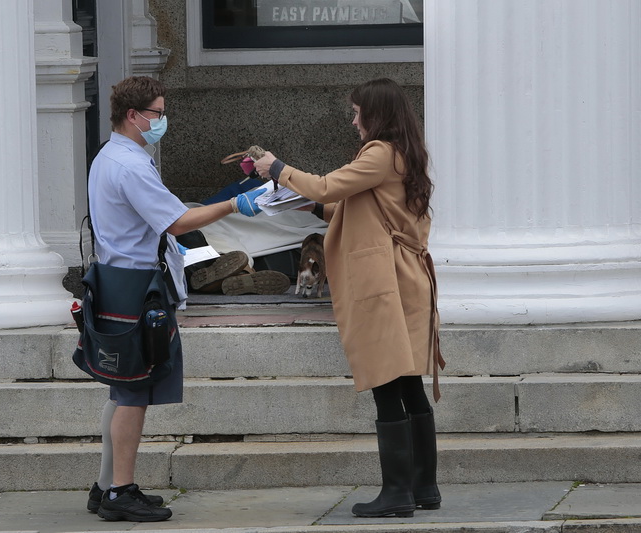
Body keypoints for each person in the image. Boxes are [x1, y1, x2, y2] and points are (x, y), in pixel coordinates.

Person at [254, 78, 445, 518]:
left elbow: (326, 186)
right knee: (408, 382)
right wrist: (305, 204)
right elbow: (353, 205)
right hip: (406, 279)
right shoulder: (401, 152)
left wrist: (277, 168)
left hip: (386, 282)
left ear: (377, 114)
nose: (355, 120)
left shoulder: (378, 153)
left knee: (384, 380)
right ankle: (423, 487)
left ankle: (397, 492)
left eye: (359, 112)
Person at [85, 75, 266, 522]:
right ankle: (118, 493)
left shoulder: (111, 155)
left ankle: (106, 485)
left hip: (117, 279)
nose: (163, 121)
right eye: (158, 114)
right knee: (133, 392)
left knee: (121, 387)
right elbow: (178, 222)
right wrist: (233, 203)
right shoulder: (129, 164)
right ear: (134, 115)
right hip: (134, 286)